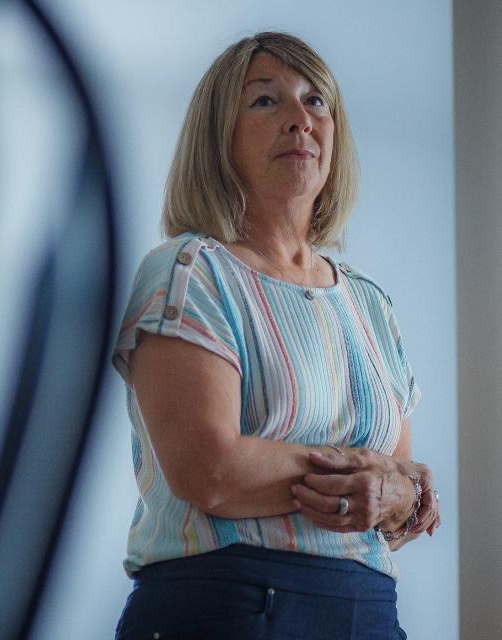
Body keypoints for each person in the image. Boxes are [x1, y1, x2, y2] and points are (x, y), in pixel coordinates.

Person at [111, 32, 442, 640]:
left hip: (368, 609)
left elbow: (401, 486)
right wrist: (372, 475)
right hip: (226, 608)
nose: (300, 120)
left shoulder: (370, 303)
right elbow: (209, 469)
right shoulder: (189, 273)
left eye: (317, 102)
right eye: (266, 102)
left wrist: (398, 494)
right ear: (220, 137)